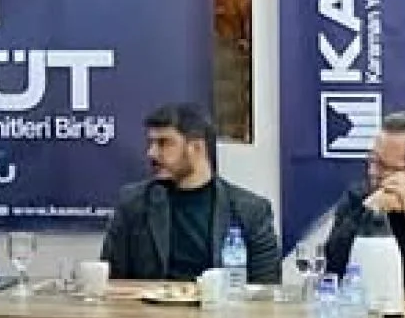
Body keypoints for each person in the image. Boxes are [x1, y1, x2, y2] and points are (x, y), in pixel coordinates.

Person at [101, 103, 281, 283]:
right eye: (151, 143)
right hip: (150, 301)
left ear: (197, 148)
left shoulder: (250, 211)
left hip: (220, 301)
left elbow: (267, 287)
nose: (152, 153)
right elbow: (111, 282)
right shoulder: (133, 203)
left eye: (163, 143)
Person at [323, 111, 405, 283]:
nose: (372, 172)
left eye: (384, 166)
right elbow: (335, 267)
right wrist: (369, 212)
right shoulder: (360, 196)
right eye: (372, 160)